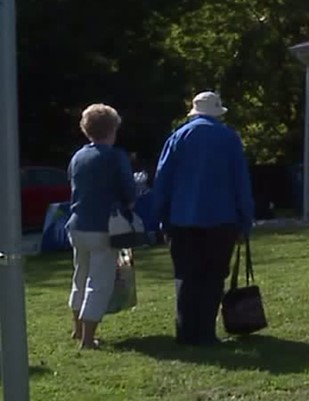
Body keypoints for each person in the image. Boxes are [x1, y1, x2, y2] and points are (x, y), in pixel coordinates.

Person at [152, 91, 254, 346]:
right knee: (213, 277)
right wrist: (245, 220)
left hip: (182, 218)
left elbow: (163, 180)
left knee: (186, 276)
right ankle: (206, 333)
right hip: (222, 218)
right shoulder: (229, 138)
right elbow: (241, 182)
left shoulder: (177, 137)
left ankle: (186, 332)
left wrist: (161, 217)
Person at [66, 103, 136, 350]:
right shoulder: (115, 157)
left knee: (80, 277)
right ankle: (88, 339)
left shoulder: (78, 156)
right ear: (112, 129)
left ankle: (77, 329)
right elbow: (128, 191)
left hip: (77, 224)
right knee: (99, 282)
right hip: (104, 227)